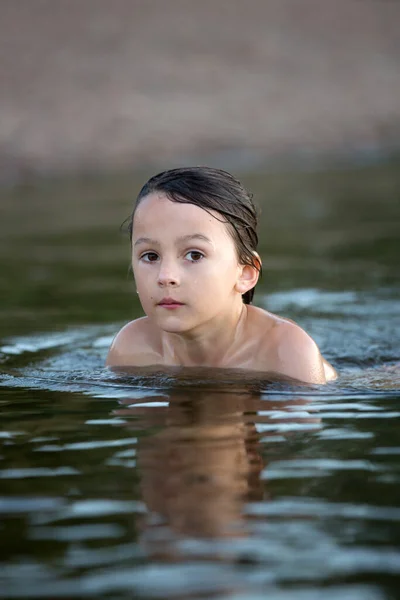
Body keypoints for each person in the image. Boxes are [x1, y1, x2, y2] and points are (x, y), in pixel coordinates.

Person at [106, 167, 337, 384]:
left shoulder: (285, 353)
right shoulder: (133, 349)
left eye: (194, 255)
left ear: (246, 273)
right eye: (150, 256)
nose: (166, 277)